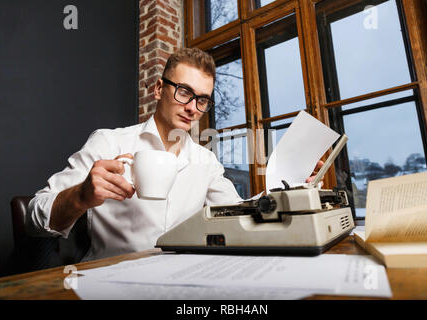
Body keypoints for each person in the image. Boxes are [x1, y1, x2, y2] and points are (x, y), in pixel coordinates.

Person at [26, 47, 323, 261]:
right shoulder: (108, 142)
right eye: (184, 91)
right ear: (158, 89)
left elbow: (238, 213)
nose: (192, 107)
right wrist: (80, 196)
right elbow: (33, 216)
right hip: (108, 281)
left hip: (183, 280)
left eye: (202, 99)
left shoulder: (205, 161)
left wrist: (290, 189)